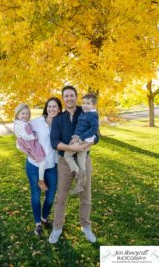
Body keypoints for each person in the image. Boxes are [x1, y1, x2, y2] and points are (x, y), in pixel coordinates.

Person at [49, 86, 99, 244]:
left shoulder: (86, 111)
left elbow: (96, 135)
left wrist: (85, 145)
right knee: (61, 198)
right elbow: (54, 142)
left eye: (72, 95)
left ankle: (86, 226)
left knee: (86, 196)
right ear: (63, 99)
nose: (69, 98)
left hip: (83, 159)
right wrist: (72, 148)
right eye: (66, 96)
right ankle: (57, 228)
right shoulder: (58, 119)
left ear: (76, 97)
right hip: (65, 162)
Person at [22, 97, 62, 236]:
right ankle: (38, 223)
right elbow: (21, 136)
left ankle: (44, 218)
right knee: (36, 195)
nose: (52, 109)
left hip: (51, 166)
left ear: (59, 109)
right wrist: (27, 151)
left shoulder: (60, 123)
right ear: (46, 107)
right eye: (49, 106)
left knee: (50, 196)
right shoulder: (36, 122)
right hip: (34, 165)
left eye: (55, 106)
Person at [64, 93, 98, 194]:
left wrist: (81, 138)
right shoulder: (85, 112)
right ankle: (80, 184)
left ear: (94, 105)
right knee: (81, 160)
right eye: (83, 103)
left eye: (88, 103)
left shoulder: (91, 115)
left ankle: (79, 175)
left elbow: (94, 129)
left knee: (67, 155)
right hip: (81, 138)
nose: (85, 105)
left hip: (82, 139)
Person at [14, 103, 47, 191]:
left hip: (29, 144)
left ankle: (40, 178)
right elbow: (25, 136)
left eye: (27, 114)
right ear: (17, 114)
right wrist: (35, 136)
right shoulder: (22, 124)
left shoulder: (21, 123)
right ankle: (41, 180)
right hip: (30, 144)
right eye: (22, 113)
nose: (25, 115)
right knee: (42, 162)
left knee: (37, 159)